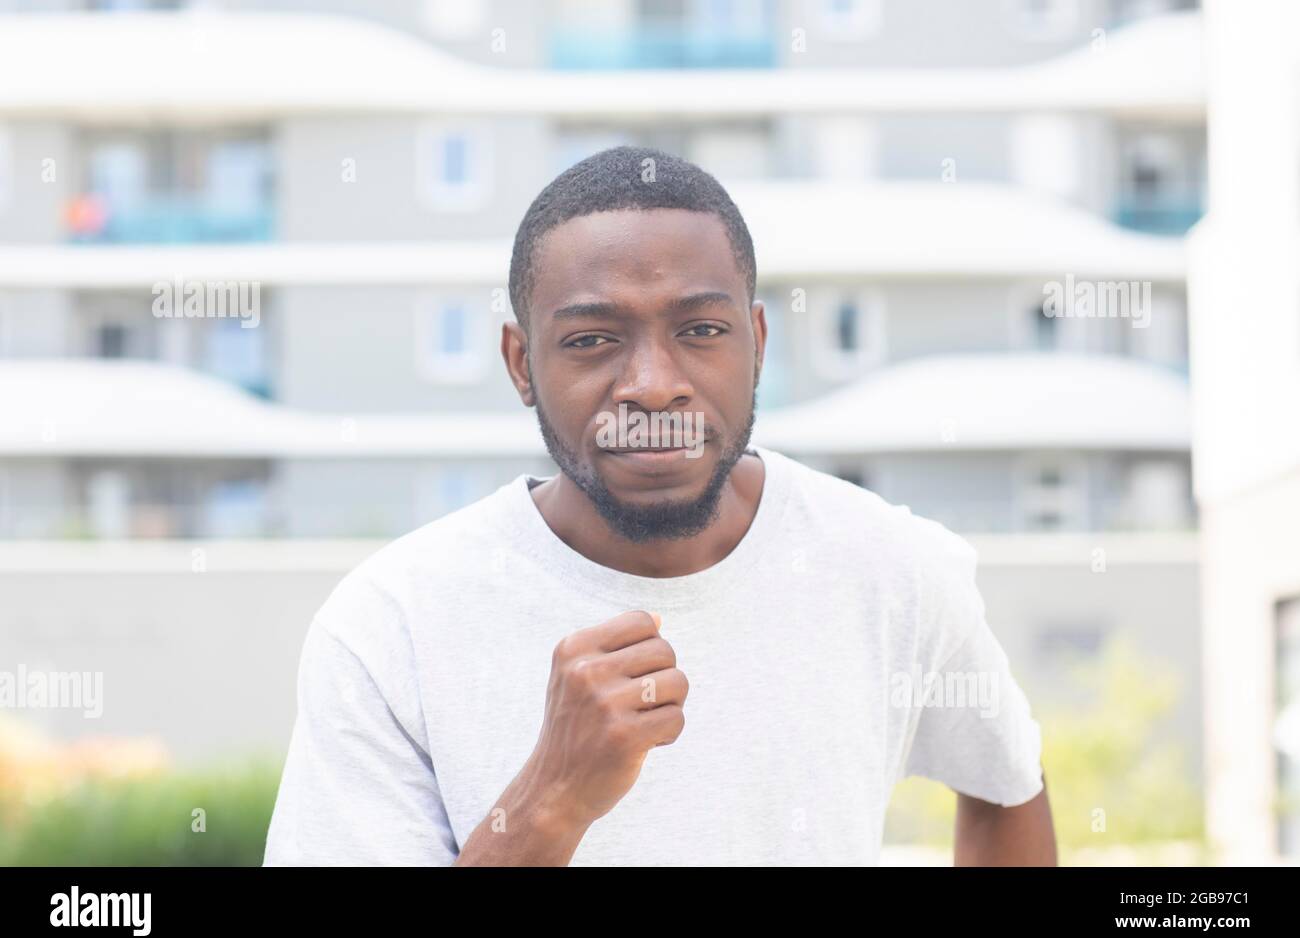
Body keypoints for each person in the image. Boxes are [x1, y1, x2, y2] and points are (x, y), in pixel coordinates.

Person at [263, 146, 1056, 866]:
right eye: (591, 340)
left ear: (757, 343)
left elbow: (1005, 785)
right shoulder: (388, 625)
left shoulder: (889, 567)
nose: (652, 383)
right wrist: (552, 800)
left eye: (701, 330)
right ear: (520, 364)